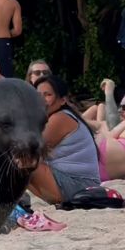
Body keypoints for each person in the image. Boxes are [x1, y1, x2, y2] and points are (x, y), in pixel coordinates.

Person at [27, 74, 102, 204]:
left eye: (47, 95)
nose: (41, 101)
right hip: (74, 183)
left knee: (22, 160)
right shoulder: (52, 117)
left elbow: (29, 148)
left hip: (79, 186)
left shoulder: (60, 118)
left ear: (62, 100)